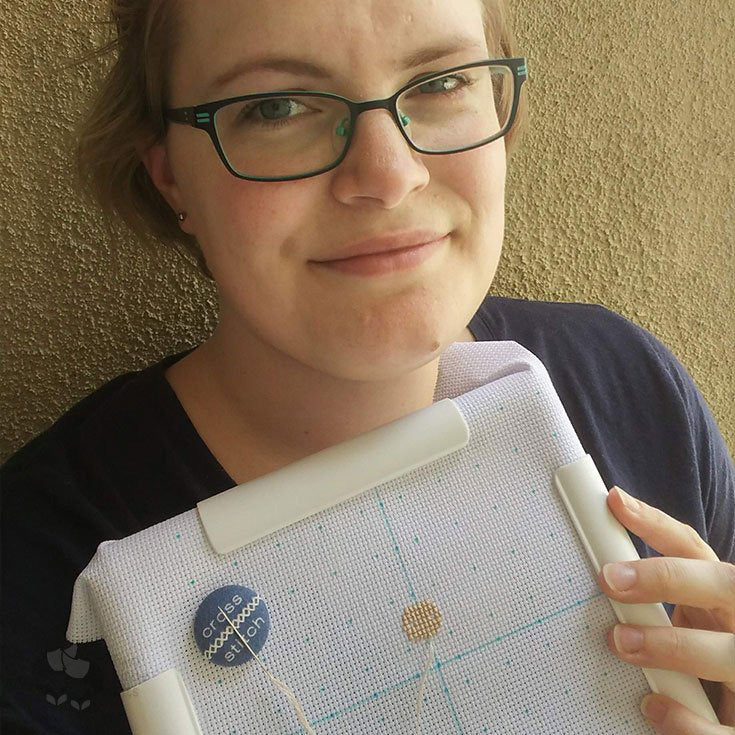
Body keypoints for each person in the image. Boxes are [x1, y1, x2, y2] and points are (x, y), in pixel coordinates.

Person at [2, 0, 733, 732]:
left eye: (441, 82)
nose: (387, 174)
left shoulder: (629, 382)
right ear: (169, 178)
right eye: (276, 106)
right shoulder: (29, 574)